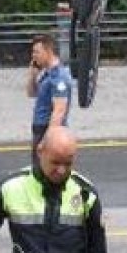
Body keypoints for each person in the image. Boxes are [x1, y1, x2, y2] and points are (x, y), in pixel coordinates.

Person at [27, 34, 74, 167]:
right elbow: (31, 93)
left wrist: (48, 140)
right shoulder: (47, 74)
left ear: (48, 51)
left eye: (37, 52)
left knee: (45, 173)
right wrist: (32, 75)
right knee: (38, 172)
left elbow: (59, 111)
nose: (33, 56)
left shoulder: (59, 77)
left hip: (48, 130)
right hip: (40, 129)